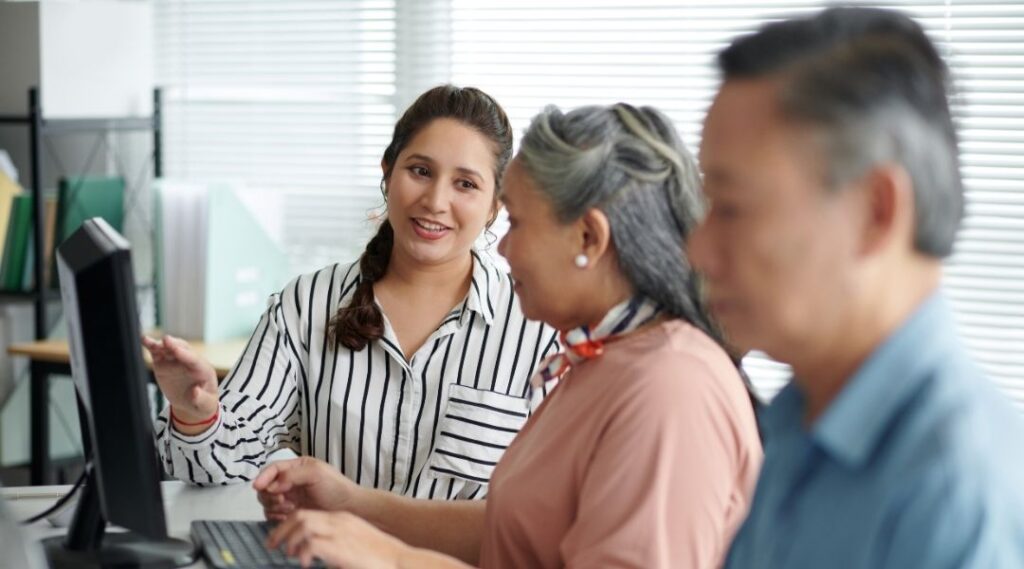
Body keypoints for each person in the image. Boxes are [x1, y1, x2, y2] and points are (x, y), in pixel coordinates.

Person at [255, 103, 763, 568]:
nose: (503, 252)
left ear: (588, 236)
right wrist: (355, 504)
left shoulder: (669, 387)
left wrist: (395, 561)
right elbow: (517, 531)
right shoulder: (601, 360)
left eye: (517, 222)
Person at [687, 7, 1024, 568]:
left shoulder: (955, 490)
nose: (696, 250)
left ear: (875, 211)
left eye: (732, 207)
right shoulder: (803, 418)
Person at [145, 85, 560, 501]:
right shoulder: (307, 306)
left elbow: (547, 511)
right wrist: (197, 414)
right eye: (420, 171)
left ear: (494, 206)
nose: (435, 201)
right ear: (387, 172)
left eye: (465, 184)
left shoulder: (539, 328)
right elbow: (217, 465)